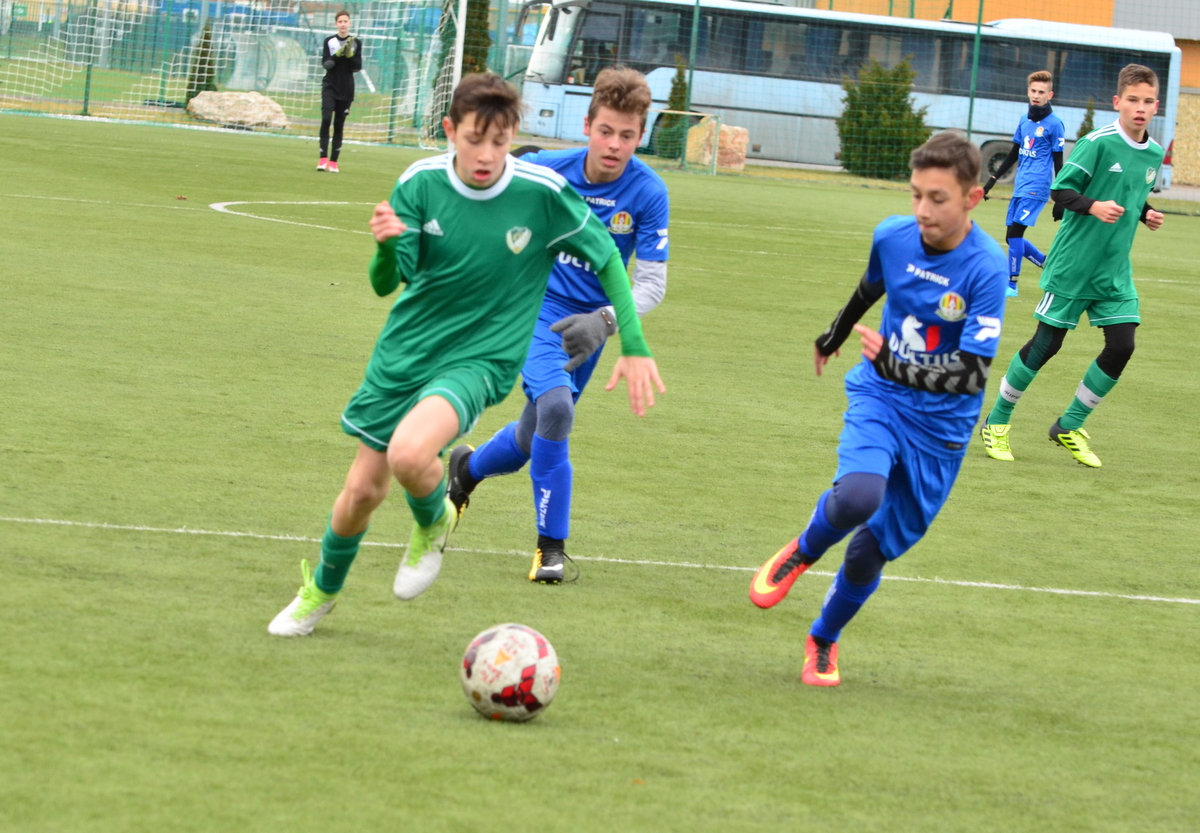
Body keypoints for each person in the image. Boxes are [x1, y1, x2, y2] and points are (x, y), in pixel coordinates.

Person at [269, 73, 665, 636]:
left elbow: (606, 258)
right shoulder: (420, 183)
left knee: (411, 454)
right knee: (362, 491)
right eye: (474, 139)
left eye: (499, 142)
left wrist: (632, 341)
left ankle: (433, 524)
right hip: (407, 350)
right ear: (451, 130)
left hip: (481, 356)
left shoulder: (541, 192)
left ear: (513, 136)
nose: (486, 155)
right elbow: (389, 282)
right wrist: (384, 248)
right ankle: (321, 594)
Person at [749, 132, 1007, 687]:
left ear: (971, 199)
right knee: (858, 495)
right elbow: (870, 288)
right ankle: (803, 550)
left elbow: (972, 374)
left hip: (943, 429)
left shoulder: (987, 266)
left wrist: (895, 364)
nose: (922, 210)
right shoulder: (892, 236)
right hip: (881, 396)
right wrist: (833, 333)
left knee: (871, 553)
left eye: (937, 198)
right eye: (916, 194)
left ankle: (823, 639)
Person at [445, 66, 669, 585]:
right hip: (534, 311)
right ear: (587, 124)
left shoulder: (649, 193)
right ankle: (551, 548)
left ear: (642, 134)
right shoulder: (548, 170)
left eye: (628, 135)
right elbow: (482, 182)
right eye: (605, 131)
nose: (614, 145)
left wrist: (605, 321)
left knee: (534, 433)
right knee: (556, 409)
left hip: (590, 329)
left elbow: (652, 285)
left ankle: (466, 469)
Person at [979, 64, 1165, 468]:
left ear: (1156, 106)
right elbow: (1061, 190)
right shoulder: (1097, 143)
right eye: (1132, 100)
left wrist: (1145, 212)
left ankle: (1069, 425)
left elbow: (1130, 194)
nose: (1140, 108)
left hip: (1113, 270)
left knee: (1122, 346)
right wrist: (1093, 206)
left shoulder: (1153, 153)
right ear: (1118, 102)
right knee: (1047, 345)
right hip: (1073, 265)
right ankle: (997, 421)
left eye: (1148, 101)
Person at [982, 71, 1066, 298]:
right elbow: (1013, 154)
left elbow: (1059, 162)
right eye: (1033, 91)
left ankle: (1011, 285)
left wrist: (1059, 197)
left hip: (1037, 186)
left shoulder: (1055, 124)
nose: (1037, 96)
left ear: (1050, 94)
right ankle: (1045, 263)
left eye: (1042, 92)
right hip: (1020, 185)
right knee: (1011, 237)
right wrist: (992, 180)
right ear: (1028, 91)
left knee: (1016, 232)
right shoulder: (1023, 120)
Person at [317, 11, 362, 173]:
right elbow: (327, 65)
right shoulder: (329, 41)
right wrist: (338, 54)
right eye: (340, 21)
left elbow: (357, 67)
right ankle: (322, 159)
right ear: (336, 24)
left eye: (345, 21)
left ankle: (334, 162)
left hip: (346, 89)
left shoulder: (356, 42)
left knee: (339, 124)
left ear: (349, 23)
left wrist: (349, 54)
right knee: (326, 118)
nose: (343, 24)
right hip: (330, 86)